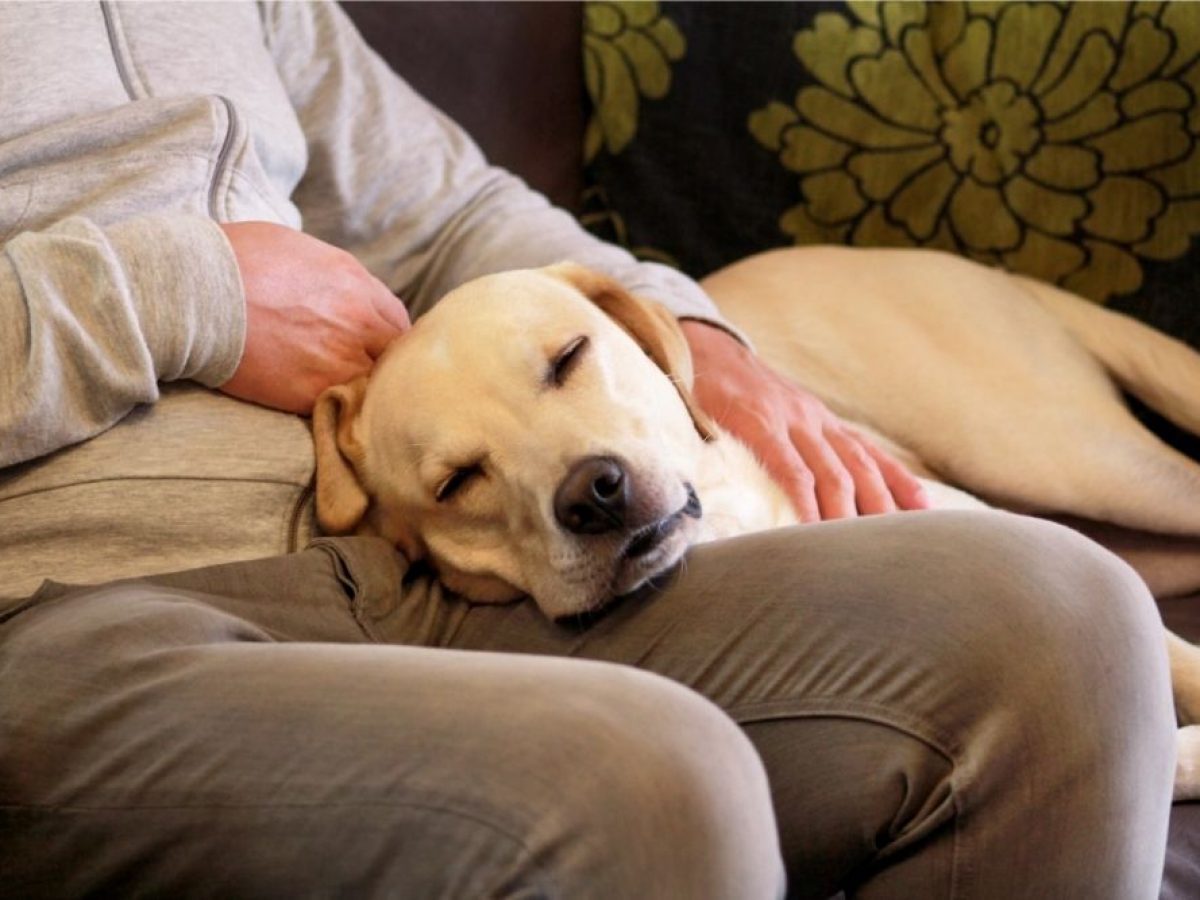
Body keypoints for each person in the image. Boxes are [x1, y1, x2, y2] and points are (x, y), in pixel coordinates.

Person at [0, 3, 1176, 897]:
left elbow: (450, 219)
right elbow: (194, 297)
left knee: (1062, 621)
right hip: (80, 621)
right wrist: (186, 296)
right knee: (648, 779)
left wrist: (696, 340)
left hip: (428, 566)